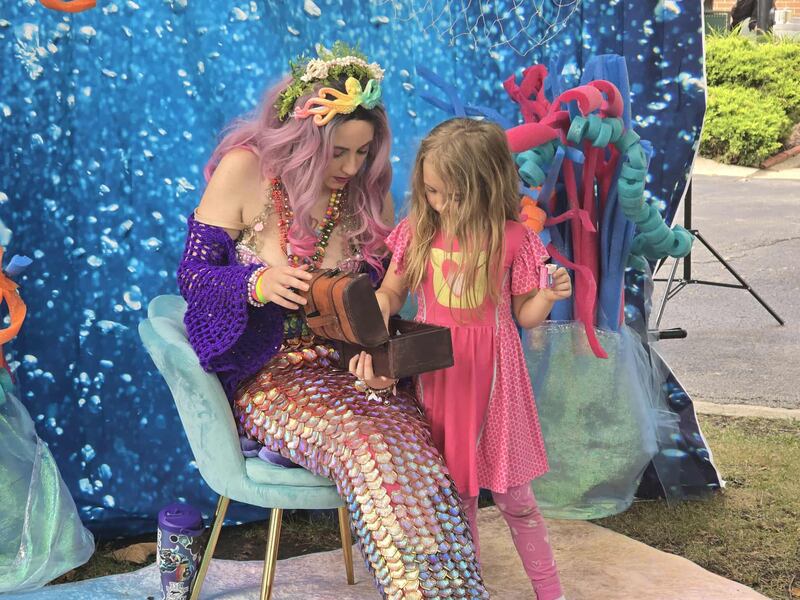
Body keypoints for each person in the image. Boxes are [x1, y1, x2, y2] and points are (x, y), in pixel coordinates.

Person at [177, 43, 488, 599]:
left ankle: (455, 591)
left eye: (363, 152)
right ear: (301, 139)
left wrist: (383, 364)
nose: (351, 168)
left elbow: (384, 303)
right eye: (338, 153)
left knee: (413, 447)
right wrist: (257, 283)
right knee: (365, 444)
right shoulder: (245, 170)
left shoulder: (366, 194)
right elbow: (193, 279)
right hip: (270, 376)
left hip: (353, 368)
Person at [352, 118, 572, 600]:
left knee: (517, 499)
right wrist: (380, 307)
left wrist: (550, 296)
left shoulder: (514, 239)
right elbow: (392, 289)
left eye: (452, 194)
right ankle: (468, 590)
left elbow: (525, 315)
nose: (439, 203)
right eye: (431, 191)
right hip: (437, 378)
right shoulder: (416, 233)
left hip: (496, 383)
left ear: (486, 187)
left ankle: (549, 591)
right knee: (457, 499)